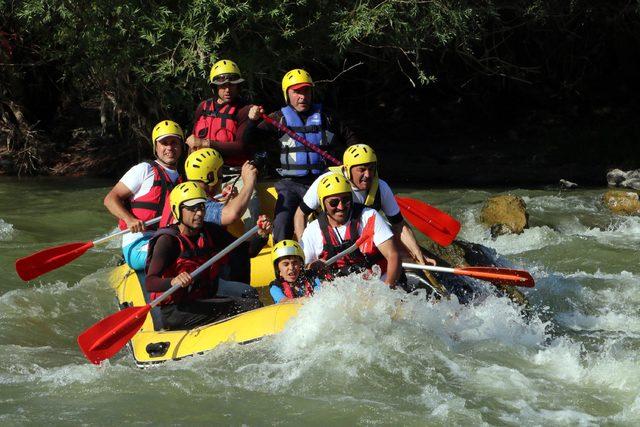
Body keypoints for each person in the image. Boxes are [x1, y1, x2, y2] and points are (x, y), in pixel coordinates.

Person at [246, 68, 359, 242]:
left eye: (306, 91)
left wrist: (353, 163)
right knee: (283, 221)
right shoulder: (277, 119)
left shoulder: (327, 117)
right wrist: (252, 121)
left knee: (341, 213)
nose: (302, 96)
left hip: (322, 180)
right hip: (290, 184)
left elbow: (350, 138)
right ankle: (283, 260)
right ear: (287, 94)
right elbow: (250, 139)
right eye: (297, 92)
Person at [145, 182, 268, 330]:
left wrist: (262, 236)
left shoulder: (209, 230)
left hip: (204, 296)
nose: (199, 213)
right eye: (192, 208)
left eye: (202, 207)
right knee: (245, 306)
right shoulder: (167, 241)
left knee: (250, 296)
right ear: (177, 210)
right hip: (177, 310)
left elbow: (246, 251)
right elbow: (150, 282)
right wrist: (173, 282)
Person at [294, 144, 436, 266]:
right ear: (348, 170)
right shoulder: (325, 182)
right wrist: (304, 247)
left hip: (362, 240)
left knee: (408, 251)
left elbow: (399, 225)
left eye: (371, 168)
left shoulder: (381, 187)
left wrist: (418, 253)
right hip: (327, 239)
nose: (368, 175)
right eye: (361, 169)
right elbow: (300, 214)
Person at [186, 59, 263, 231]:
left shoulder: (245, 110)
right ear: (214, 87)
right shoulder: (203, 108)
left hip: (235, 174)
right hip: (204, 177)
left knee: (252, 219)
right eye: (222, 86)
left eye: (232, 85)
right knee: (193, 214)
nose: (228, 90)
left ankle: (251, 248)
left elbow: (241, 147)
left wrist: (206, 143)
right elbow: (193, 143)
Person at [104, 120, 184, 270]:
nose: (169, 148)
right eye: (164, 143)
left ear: (181, 146)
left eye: (174, 142)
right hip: (138, 242)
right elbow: (110, 199)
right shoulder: (144, 170)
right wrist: (130, 219)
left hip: (165, 238)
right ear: (156, 147)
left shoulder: (182, 180)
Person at [300, 173, 401, 286]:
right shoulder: (312, 230)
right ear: (323, 203)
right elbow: (304, 269)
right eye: (334, 203)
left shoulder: (369, 216)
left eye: (346, 200)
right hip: (341, 290)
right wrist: (312, 266)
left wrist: (387, 289)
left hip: (378, 282)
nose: (341, 207)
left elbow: (393, 255)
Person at [182, 148, 258, 227]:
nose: (222, 177)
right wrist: (249, 183)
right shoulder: (198, 203)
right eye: (220, 172)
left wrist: (228, 200)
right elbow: (231, 214)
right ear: (211, 177)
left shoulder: (187, 194)